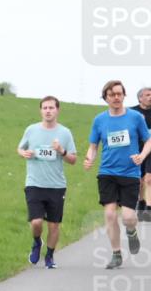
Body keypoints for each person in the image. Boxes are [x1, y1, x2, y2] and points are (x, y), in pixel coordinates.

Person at [83, 80, 151, 269]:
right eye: (112, 94)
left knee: (129, 217)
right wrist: (89, 158)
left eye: (120, 94)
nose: (116, 97)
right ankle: (116, 254)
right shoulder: (99, 120)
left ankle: (131, 232)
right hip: (107, 172)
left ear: (124, 95)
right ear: (105, 97)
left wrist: (142, 155)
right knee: (110, 214)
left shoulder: (136, 117)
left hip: (130, 173)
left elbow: (148, 140)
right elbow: (93, 146)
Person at [17, 96, 77, 268]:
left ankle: (49, 257)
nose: (48, 111)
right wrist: (23, 153)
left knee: (53, 225)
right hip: (34, 183)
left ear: (57, 110)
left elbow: (73, 160)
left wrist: (61, 151)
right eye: (45, 108)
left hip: (56, 186)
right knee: (36, 222)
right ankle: (37, 242)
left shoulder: (65, 133)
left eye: (51, 108)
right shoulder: (31, 130)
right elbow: (20, 148)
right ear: (40, 111)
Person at [132, 86, 151, 221]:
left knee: (149, 178)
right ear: (140, 98)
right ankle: (140, 203)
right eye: (148, 95)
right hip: (137, 149)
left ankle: (149, 209)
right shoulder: (133, 112)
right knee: (138, 179)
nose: (150, 97)